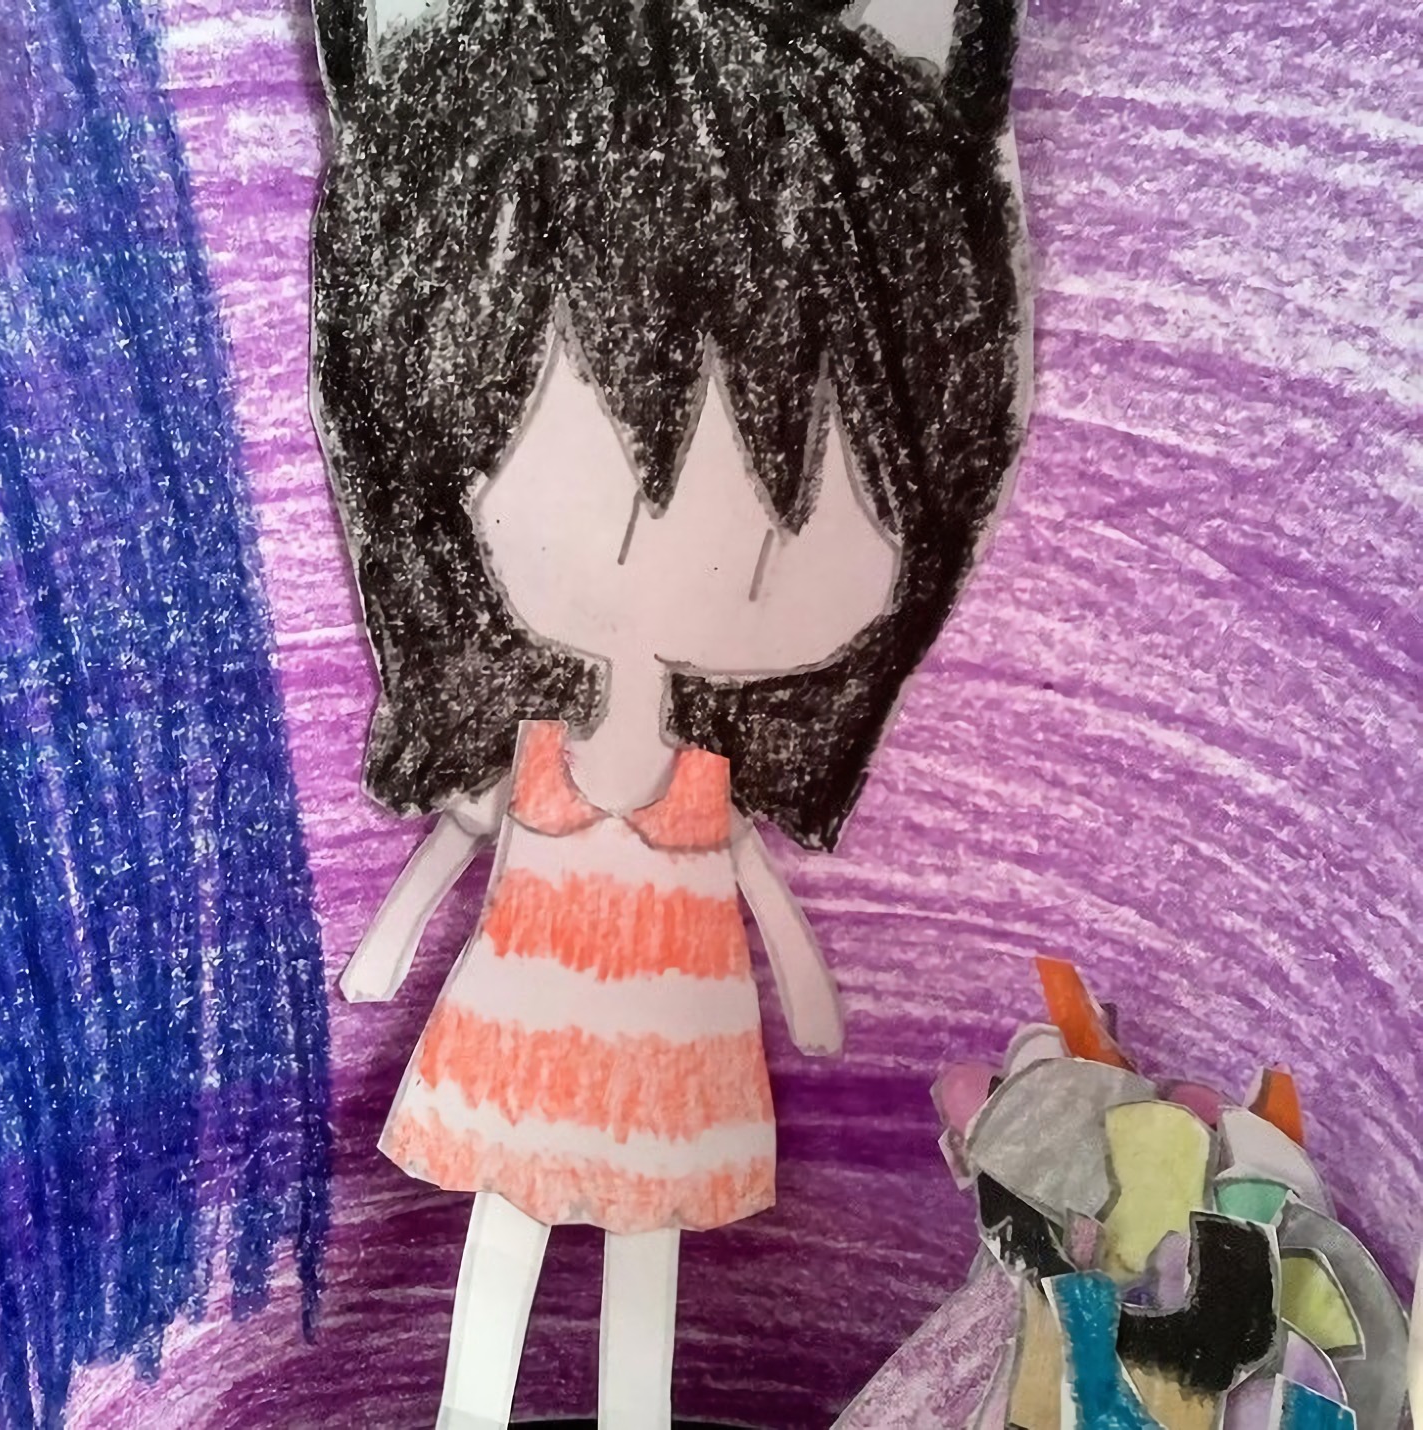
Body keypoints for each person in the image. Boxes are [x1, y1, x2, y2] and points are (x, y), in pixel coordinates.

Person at [308, 0, 1028, 1422]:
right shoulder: (535, 760)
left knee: (646, 1252)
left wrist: (813, 1005)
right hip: (526, 1045)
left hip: (664, 1064)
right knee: (508, 1226)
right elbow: (451, 853)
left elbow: (764, 907)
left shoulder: (708, 787)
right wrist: (384, 956)